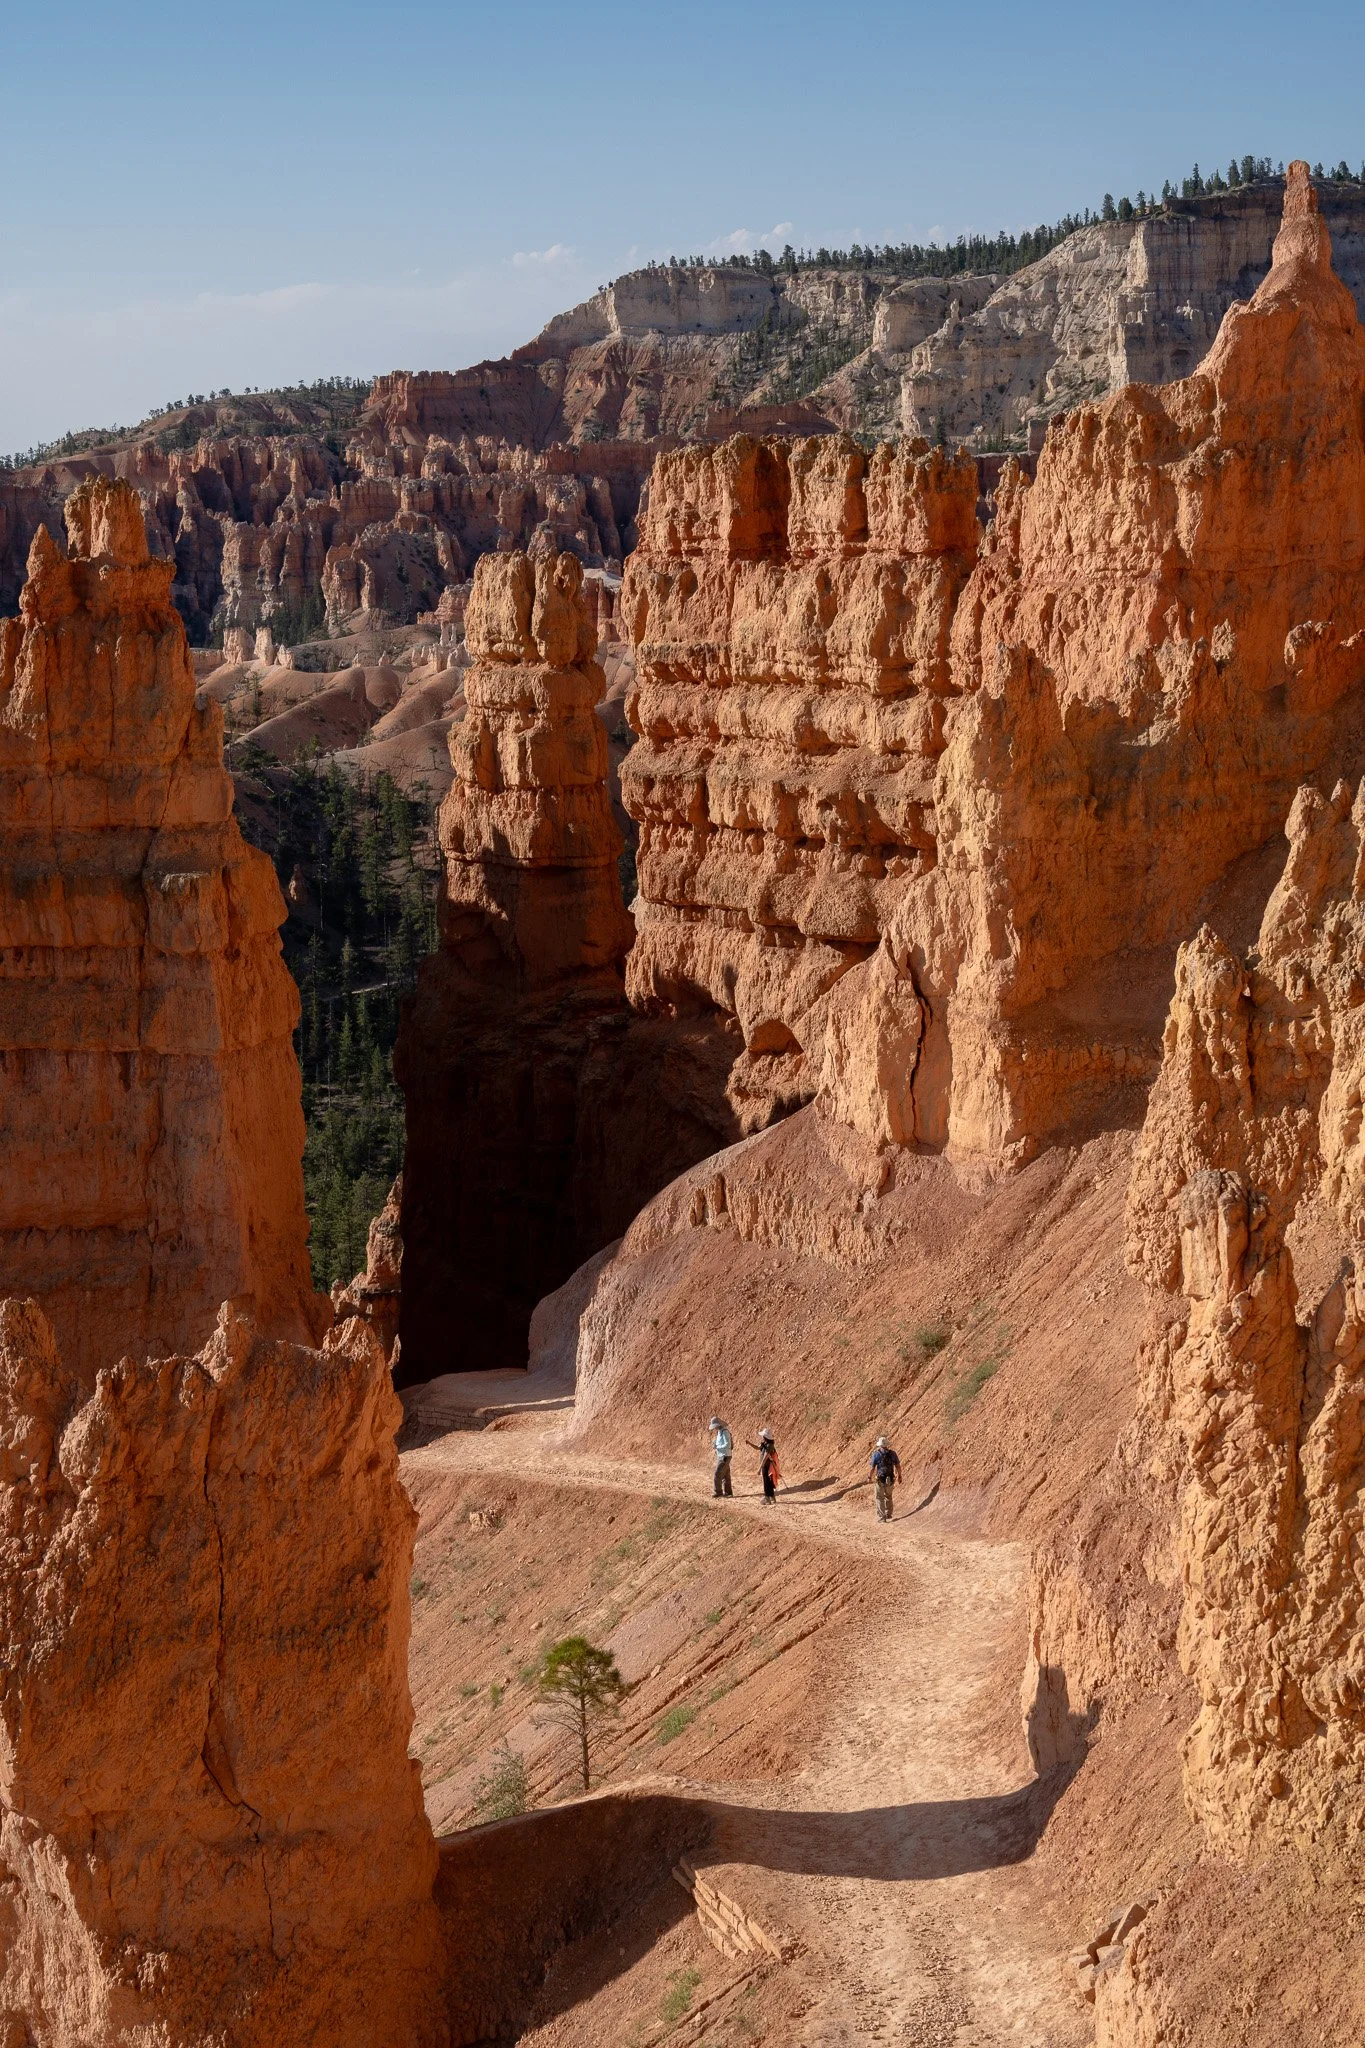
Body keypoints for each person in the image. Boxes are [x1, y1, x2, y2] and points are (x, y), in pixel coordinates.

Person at [870, 1435, 902, 1522]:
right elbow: (898, 1466)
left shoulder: (876, 1454)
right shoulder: (893, 1454)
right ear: (887, 1445)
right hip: (890, 1478)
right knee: (888, 1496)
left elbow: (872, 1468)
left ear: (880, 1445)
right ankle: (888, 1514)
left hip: (880, 1479)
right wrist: (899, 1475)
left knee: (879, 1497)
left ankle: (882, 1517)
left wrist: (869, 1476)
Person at [747, 1427, 781, 1505]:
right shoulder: (765, 1444)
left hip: (767, 1466)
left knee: (766, 1482)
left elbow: (765, 1457)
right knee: (768, 1481)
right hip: (766, 1465)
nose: (762, 1437)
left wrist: (759, 1468)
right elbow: (758, 1448)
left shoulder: (769, 1445)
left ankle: (767, 1497)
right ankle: (771, 1497)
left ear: (765, 1437)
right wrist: (749, 1443)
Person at [709, 1416, 734, 1497]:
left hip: (724, 1456)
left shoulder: (725, 1431)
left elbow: (727, 1444)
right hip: (723, 1455)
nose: (714, 1428)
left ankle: (718, 1492)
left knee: (717, 1474)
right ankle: (728, 1492)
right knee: (726, 1475)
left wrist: (717, 1447)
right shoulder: (720, 1432)